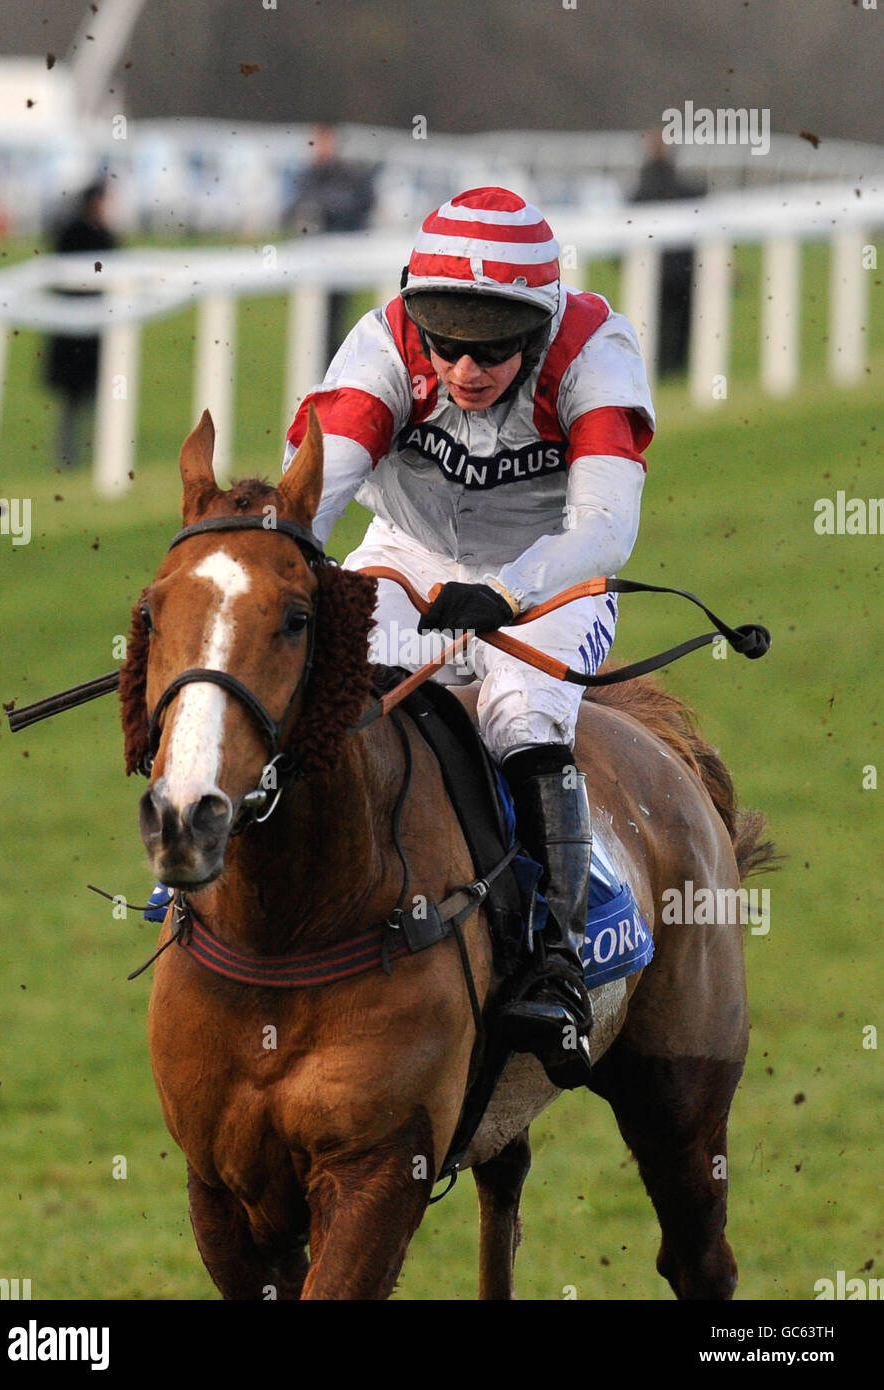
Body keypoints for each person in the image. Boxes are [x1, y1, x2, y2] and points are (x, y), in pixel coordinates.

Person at [283, 186, 654, 1087]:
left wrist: (505, 591)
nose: (463, 368)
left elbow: (604, 527)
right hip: (407, 556)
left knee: (520, 714)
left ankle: (555, 962)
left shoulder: (594, 350)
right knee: (337, 690)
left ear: (541, 322)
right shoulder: (381, 348)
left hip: (551, 570)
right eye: (445, 342)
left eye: (491, 349)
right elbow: (311, 504)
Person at [282, 126, 377, 364]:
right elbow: (289, 212)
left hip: (340, 261)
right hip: (310, 263)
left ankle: (333, 369)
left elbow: (361, 208)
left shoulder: (349, 176)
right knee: (311, 323)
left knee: (335, 321)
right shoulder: (306, 176)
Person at [44, 180, 119, 467]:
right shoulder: (72, 232)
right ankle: (69, 453)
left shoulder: (105, 235)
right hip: (70, 330)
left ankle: (95, 452)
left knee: (95, 395)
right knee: (72, 399)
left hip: (96, 329)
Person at [632, 132, 707, 375]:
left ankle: (662, 365)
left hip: (656, 269)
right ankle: (676, 365)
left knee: (655, 318)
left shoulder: (641, 189)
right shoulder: (683, 187)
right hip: (683, 266)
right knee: (683, 318)